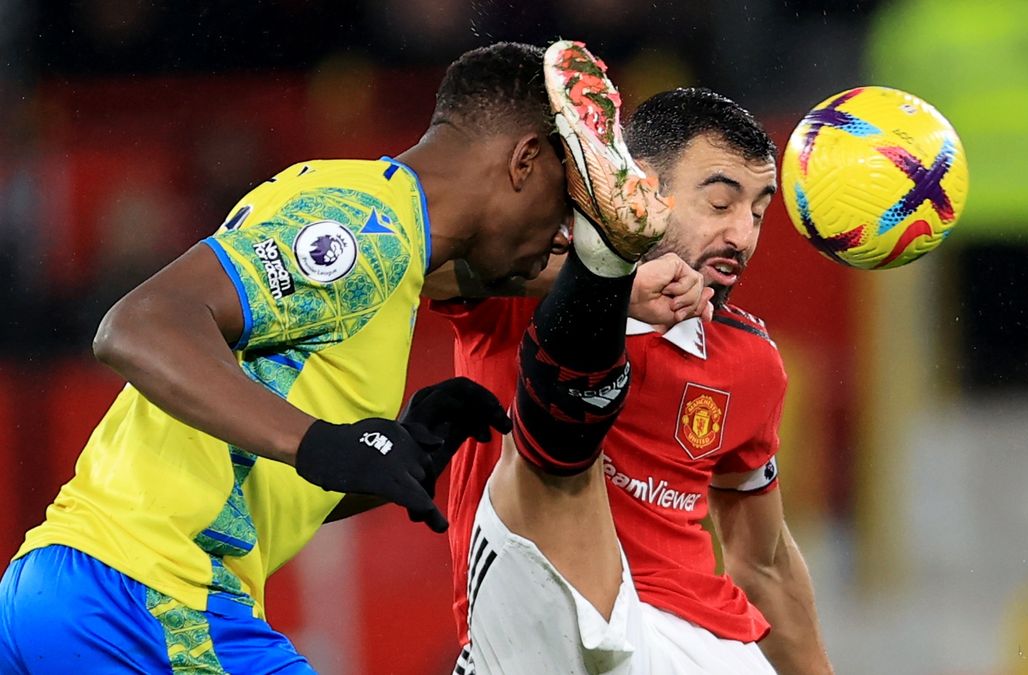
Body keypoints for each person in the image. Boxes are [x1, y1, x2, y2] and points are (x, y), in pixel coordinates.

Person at [0, 41, 605, 674]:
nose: (562, 234)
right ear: (525, 160)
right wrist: (320, 441)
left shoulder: (362, 209)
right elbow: (137, 325)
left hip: (76, 584)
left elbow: (260, 460)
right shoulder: (367, 232)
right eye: (565, 203)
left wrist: (394, 451)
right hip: (144, 596)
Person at [430, 43, 832, 674]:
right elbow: (422, 268)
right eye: (721, 204)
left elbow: (766, 561)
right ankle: (606, 264)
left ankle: (607, 257)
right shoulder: (516, 285)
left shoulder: (750, 360)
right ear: (644, 185)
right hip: (547, 629)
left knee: (546, 443)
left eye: (758, 213)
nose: (743, 236)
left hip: (695, 644)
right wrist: (595, 287)